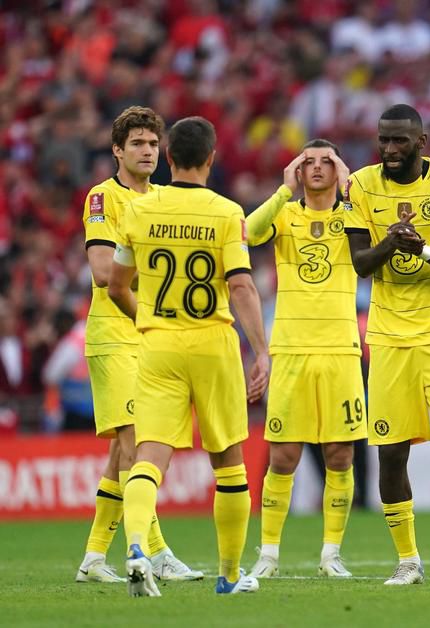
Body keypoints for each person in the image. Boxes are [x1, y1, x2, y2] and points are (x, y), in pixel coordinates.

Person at [108, 116, 270, 595]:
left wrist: (148, 319)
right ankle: (229, 576)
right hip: (212, 343)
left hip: (158, 343)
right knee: (229, 463)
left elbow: (116, 285)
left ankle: (137, 547)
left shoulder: (138, 210)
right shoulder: (227, 212)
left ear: (169, 158)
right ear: (211, 158)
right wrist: (260, 350)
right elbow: (239, 283)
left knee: (149, 456)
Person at [344, 104, 430, 585]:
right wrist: (391, 244)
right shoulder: (360, 185)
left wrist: (421, 248)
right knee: (390, 451)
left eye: (400, 140)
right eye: (384, 140)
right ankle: (407, 561)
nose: (389, 149)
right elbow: (361, 263)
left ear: (422, 141)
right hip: (387, 334)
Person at [77, 106, 201, 584]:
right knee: (137, 445)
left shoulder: (167, 200)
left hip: (154, 336)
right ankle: (155, 550)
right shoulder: (103, 198)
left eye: (153, 144)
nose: (147, 152)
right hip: (114, 336)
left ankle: (92, 558)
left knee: (122, 455)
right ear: (117, 150)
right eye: (137, 145)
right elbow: (104, 272)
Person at [245, 140, 366, 578]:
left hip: (340, 350)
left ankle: (331, 554)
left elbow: (376, 233)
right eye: (308, 161)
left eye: (326, 161)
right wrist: (282, 189)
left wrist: (351, 185)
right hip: (291, 348)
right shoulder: (286, 213)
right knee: (283, 457)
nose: (317, 168)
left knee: (339, 455)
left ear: (339, 170)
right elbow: (250, 232)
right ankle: (269, 554)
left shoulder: (354, 214)